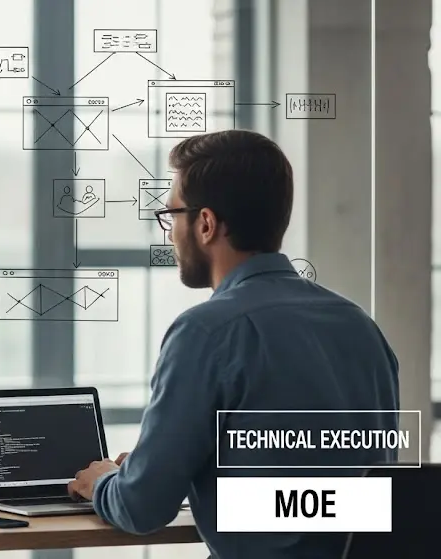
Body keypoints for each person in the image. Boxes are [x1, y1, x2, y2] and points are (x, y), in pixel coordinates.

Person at [67, 129, 400, 559]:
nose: (169, 232)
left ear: (205, 224)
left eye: (171, 216)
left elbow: (141, 508)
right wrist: (170, 464)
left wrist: (105, 483)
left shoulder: (206, 333)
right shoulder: (360, 327)